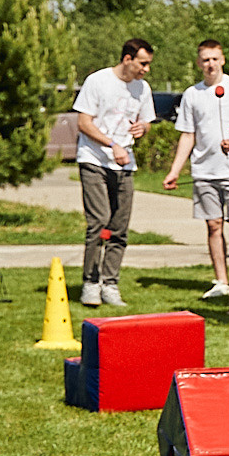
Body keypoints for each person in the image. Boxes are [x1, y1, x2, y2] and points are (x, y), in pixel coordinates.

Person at [162, 41, 229, 302]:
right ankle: (222, 281)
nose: (210, 64)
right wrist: (175, 171)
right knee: (213, 225)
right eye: (205, 60)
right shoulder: (192, 94)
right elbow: (188, 135)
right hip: (204, 171)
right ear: (199, 63)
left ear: (223, 60)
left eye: (214, 59)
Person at [71, 38, 156, 309]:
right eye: (143, 63)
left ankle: (110, 283)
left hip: (125, 164)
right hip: (94, 160)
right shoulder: (98, 81)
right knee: (99, 221)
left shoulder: (142, 88)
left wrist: (143, 128)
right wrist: (112, 144)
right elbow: (84, 123)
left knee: (119, 226)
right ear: (127, 59)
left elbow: (147, 121)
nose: (146, 70)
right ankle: (91, 282)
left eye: (148, 64)